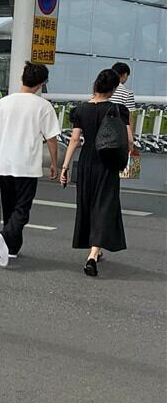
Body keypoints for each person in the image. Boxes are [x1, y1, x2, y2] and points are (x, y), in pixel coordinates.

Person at [60, 68, 134, 277]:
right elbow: (129, 140)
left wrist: (65, 167)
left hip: (86, 161)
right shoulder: (118, 109)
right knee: (104, 204)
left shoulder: (80, 109)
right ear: (113, 88)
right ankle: (93, 255)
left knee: (88, 203)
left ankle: (95, 249)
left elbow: (75, 140)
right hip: (107, 162)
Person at [0, 61, 59, 267]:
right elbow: (52, 139)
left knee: (10, 207)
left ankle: (12, 249)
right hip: (27, 166)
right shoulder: (43, 106)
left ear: (22, 78)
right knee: (22, 209)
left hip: (4, 163)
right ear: (41, 83)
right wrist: (54, 163)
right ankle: (5, 235)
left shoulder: (3, 103)